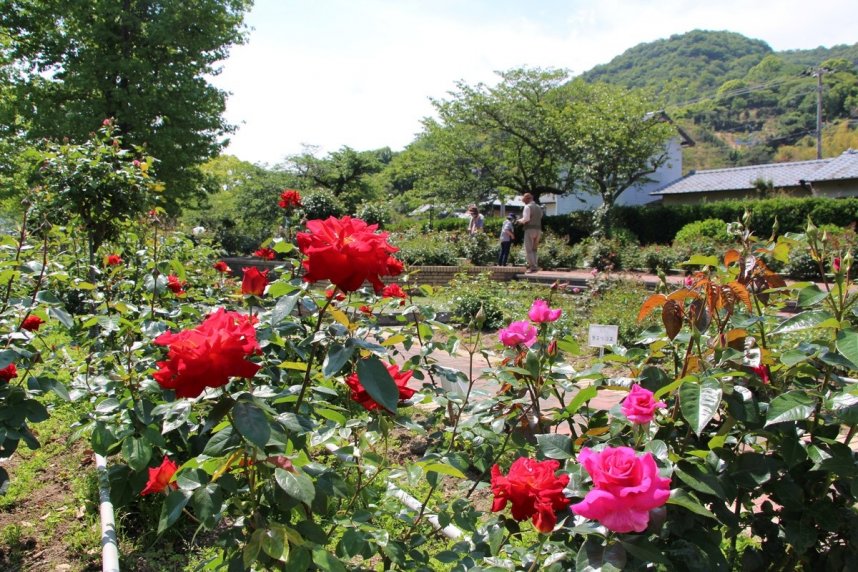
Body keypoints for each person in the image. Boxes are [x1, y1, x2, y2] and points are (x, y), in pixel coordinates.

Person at [516, 193, 542, 273]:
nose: (524, 202)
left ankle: (532, 267)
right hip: (538, 230)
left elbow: (526, 219)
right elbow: (540, 217)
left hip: (529, 229)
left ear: (527, 199)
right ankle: (535, 265)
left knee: (529, 249)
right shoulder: (539, 207)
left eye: (524, 200)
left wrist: (519, 221)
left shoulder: (527, 207)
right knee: (534, 249)